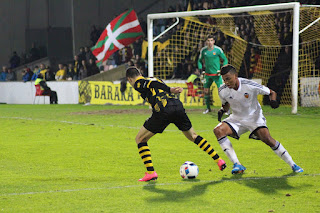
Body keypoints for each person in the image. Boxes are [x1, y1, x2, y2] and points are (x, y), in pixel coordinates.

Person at [126, 67, 226, 182]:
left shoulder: (139, 82)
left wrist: (170, 89)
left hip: (163, 109)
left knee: (140, 139)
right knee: (193, 136)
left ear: (130, 79)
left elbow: (149, 84)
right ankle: (218, 160)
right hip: (176, 105)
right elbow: (153, 83)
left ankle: (150, 173)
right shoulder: (154, 79)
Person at [213, 64, 303, 174]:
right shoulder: (222, 90)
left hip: (254, 117)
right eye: (224, 80)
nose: (226, 82)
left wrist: (273, 101)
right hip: (236, 118)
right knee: (218, 130)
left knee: (267, 139)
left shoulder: (249, 85)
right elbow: (226, 104)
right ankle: (237, 164)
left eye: (228, 79)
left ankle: (293, 164)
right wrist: (222, 110)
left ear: (235, 75)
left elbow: (271, 92)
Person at [198, 34, 228, 114]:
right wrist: (201, 70)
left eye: (211, 40)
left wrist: (223, 68)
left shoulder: (218, 50)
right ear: (206, 42)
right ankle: (208, 108)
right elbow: (199, 61)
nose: (210, 42)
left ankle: (225, 109)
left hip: (217, 75)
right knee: (206, 91)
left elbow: (225, 59)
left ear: (214, 41)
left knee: (222, 92)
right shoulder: (203, 51)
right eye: (208, 41)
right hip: (207, 75)